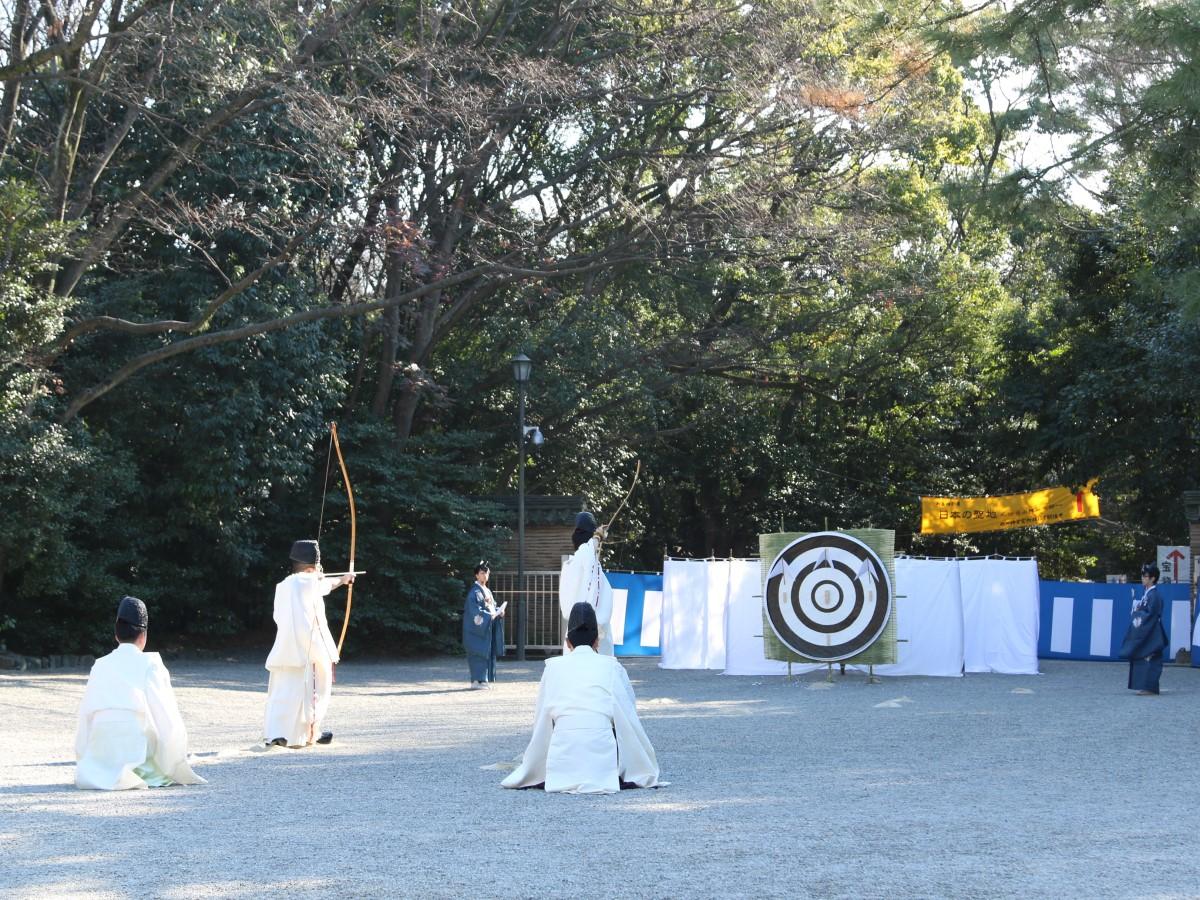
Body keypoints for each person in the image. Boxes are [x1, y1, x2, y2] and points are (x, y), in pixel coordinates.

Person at [502, 602, 662, 794]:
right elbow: (627, 715)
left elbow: (542, 718)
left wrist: (536, 763)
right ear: (597, 641)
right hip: (601, 752)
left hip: (563, 752)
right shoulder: (611, 666)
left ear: (568, 642)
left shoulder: (553, 667)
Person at [74, 596, 206, 791]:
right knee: (146, 728)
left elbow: (85, 717)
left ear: (116, 634)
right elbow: (166, 719)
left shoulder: (99, 665)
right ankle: (139, 770)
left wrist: (84, 757)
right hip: (135, 750)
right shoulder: (150, 664)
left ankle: (102, 769)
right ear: (143, 635)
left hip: (100, 753)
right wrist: (174, 761)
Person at [263, 539, 354, 747]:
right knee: (313, 690)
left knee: (284, 691)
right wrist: (344, 579)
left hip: (285, 649)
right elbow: (327, 583)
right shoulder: (308, 581)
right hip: (309, 649)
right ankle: (311, 732)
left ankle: (277, 733)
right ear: (313, 567)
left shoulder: (283, 585)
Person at [558, 510, 614, 655]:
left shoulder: (571, 564)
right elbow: (587, 550)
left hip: (575, 634)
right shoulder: (582, 558)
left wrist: (597, 537)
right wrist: (597, 536)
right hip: (594, 635)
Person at [1119, 562, 1168, 695]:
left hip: (1152, 631)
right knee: (1141, 656)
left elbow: (1151, 614)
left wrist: (1138, 612)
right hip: (1147, 630)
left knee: (1150, 657)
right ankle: (1144, 686)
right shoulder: (1147, 594)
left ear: (1153, 578)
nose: (1143, 578)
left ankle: (1150, 687)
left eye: (1145, 576)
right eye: (1142, 575)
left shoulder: (1154, 595)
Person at [463, 561, 506, 689]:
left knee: (486, 653)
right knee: (478, 653)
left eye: (486, 573)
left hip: (486, 628)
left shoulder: (487, 591)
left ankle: (483, 679)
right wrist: (489, 616)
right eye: (482, 573)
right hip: (476, 630)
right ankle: (477, 680)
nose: (485, 575)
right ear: (476, 575)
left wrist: (499, 611)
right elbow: (474, 611)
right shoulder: (474, 592)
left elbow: (492, 607)